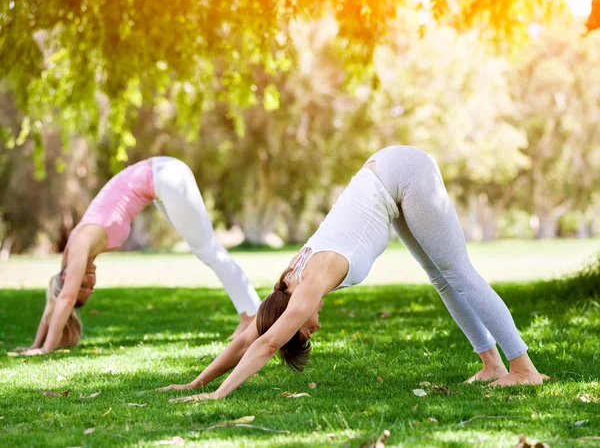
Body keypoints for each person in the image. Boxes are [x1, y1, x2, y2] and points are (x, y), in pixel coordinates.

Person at [159, 145, 545, 401]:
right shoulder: (289, 278)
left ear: (293, 319)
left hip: (403, 173)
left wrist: (218, 395)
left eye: (305, 330)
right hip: (387, 181)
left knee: (459, 273)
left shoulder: (306, 287)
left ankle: (524, 368)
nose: (316, 328)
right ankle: (492, 365)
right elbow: (248, 337)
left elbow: (266, 344)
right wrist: (197, 382)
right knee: (443, 280)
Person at [13, 157, 261, 355]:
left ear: (68, 276)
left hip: (163, 175)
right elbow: (54, 301)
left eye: (83, 284)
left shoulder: (78, 245)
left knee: (207, 248)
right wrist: (35, 345)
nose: (91, 281)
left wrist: (45, 350)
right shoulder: (81, 249)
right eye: (91, 287)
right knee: (206, 249)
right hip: (161, 177)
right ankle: (249, 314)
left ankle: (251, 316)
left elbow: (64, 299)